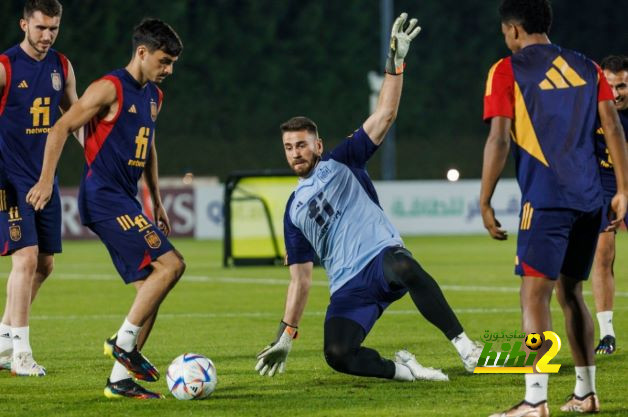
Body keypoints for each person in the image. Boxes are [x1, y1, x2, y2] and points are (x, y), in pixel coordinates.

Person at [254, 13, 481, 383]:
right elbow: (301, 280)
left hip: (381, 258)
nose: (295, 152)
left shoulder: (342, 160)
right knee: (338, 354)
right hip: (348, 286)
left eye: (301, 144)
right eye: (288, 147)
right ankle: (406, 372)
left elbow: (385, 114)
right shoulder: (293, 211)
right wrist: (286, 335)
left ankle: (466, 348)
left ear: (319, 145)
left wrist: (395, 65)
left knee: (406, 267)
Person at [480, 1, 628, 415]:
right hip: (589, 199)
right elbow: (613, 127)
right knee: (571, 293)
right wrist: (624, 189)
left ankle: (534, 399)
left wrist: (485, 198)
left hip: (545, 199)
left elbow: (499, 140)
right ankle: (586, 393)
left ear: (512, 29)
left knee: (534, 296)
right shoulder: (587, 65)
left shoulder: (507, 69)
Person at [26, 18, 185, 399]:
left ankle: (119, 379)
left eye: (172, 64)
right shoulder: (109, 87)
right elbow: (60, 127)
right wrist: (47, 180)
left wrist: (157, 199)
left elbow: (148, 147)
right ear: (141, 53)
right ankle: (123, 345)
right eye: (164, 62)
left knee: (152, 289)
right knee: (173, 265)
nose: (168, 71)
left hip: (125, 199)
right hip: (102, 196)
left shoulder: (153, 97)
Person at [0, 0, 80, 377]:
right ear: (23, 25)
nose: (47, 36)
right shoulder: (4, 67)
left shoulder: (61, 67)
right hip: (8, 180)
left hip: (44, 178)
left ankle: (2, 341)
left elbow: (74, 116)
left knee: (45, 265)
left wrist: (99, 153)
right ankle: (21, 354)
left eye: (53, 29)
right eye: (40, 28)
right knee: (26, 258)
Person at [591, 55, 628, 356]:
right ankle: (607, 334)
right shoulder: (591, 112)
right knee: (603, 255)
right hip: (603, 185)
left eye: (623, 86)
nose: (616, 93)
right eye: (611, 85)